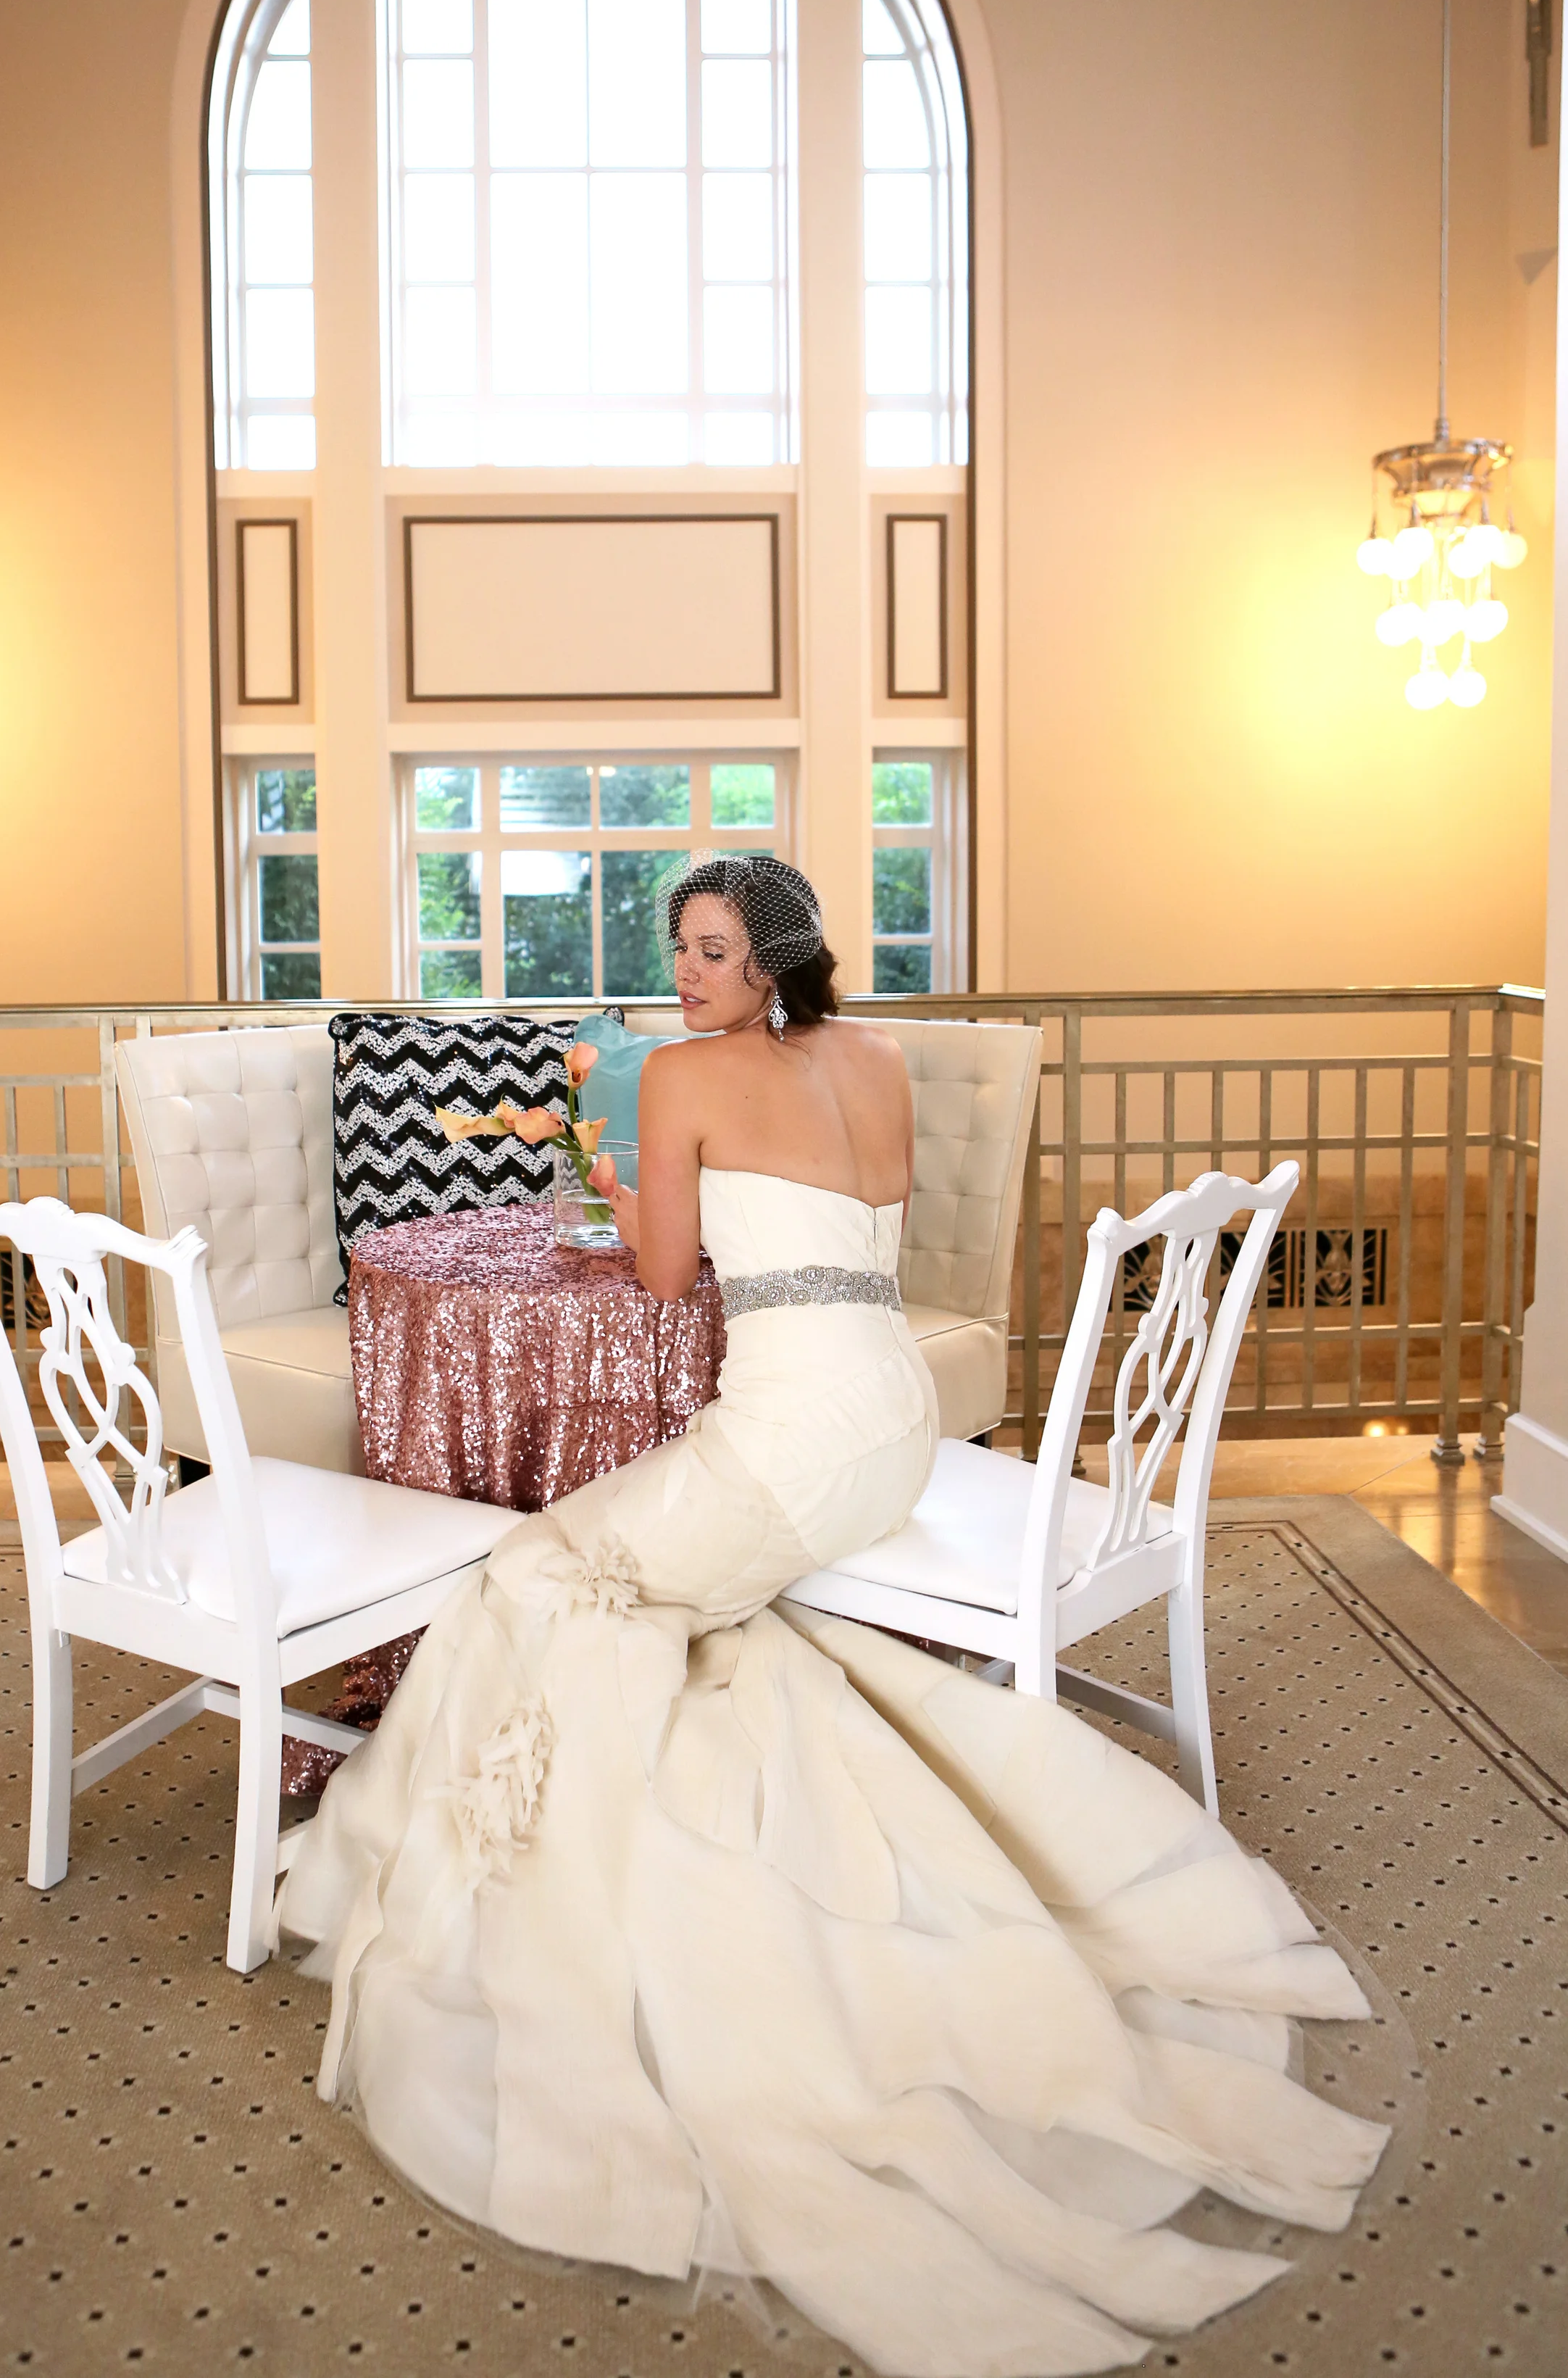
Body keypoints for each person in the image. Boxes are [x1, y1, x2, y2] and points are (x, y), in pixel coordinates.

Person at [276, 857, 1385, 2378]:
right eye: (679, 951)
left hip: (793, 1445)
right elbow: (844, 1243)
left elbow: (665, 1280)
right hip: (894, 1426)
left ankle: (576, 1889)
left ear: (769, 957)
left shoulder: (672, 1077)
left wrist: (616, 1176)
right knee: (671, 1608)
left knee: (538, 1573)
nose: (684, 976)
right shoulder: (878, 1058)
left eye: (711, 952)